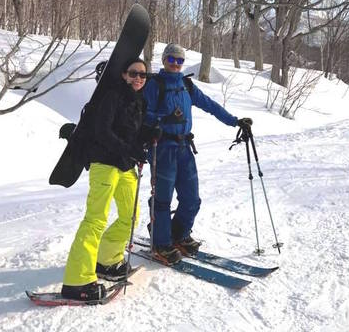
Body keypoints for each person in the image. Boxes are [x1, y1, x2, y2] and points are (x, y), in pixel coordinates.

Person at [143, 43, 252, 265]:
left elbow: (210, 105)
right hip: (162, 149)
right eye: (171, 59)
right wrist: (160, 122)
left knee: (192, 199)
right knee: (162, 200)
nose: (175, 64)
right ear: (164, 60)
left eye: (179, 61)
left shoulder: (187, 85)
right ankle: (160, 242)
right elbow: (143, 114)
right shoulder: (154, 84)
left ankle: (179, 234)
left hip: (184, 149)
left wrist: (235, 121)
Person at [61, 58, 150, 301]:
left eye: (143, 75)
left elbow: (131, 133)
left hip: (125, 165)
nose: (139, 78)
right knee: (95, 220)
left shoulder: (138, 100)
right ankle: (76, 280)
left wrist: (147, 136)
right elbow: (102, 130)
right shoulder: (112, 96)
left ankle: (107, 260)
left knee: (130, 216)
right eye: (134, 73)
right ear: (124, 75)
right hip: (105, 163)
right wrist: (126, 149)